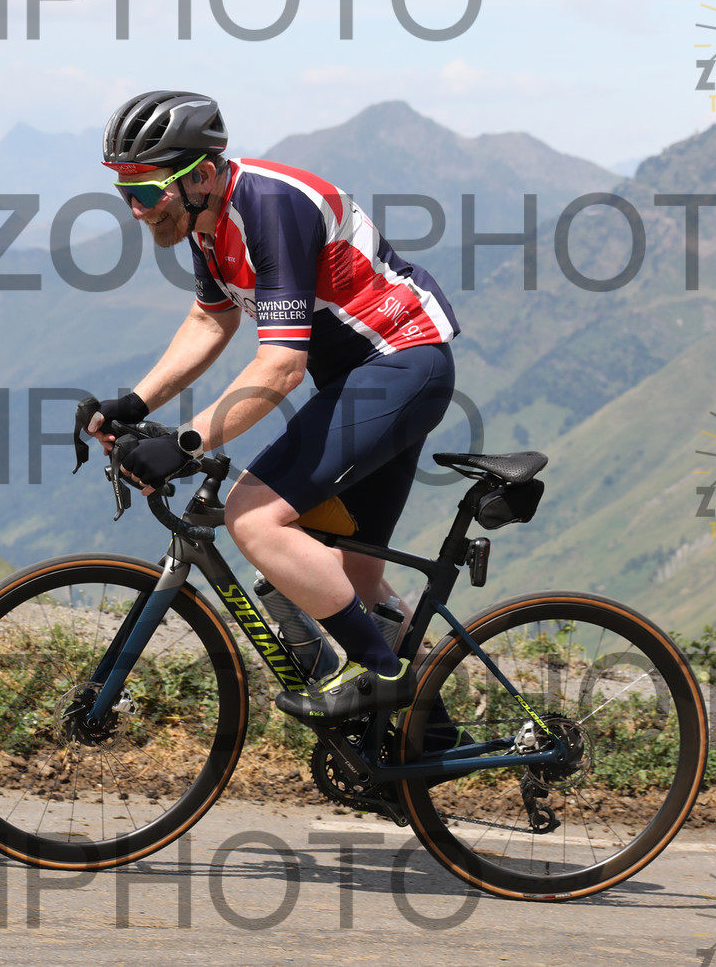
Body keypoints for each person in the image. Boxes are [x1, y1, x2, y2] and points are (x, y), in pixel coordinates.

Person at [85, 90, 460, 726]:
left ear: (202, 175)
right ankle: (428, 738)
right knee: (354, 576)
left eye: (146, 191)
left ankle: (381, 673)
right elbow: (211, 319)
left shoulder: (272, 208)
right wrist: (134, 402)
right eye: (124, 193)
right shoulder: (208, 222)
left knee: (254, 518)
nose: (137, 210)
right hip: (364, 379)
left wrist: (184, 443)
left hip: (399, 368)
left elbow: (282, 366)